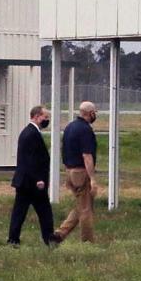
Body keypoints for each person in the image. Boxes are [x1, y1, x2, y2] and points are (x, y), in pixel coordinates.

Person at [7, 105, 57, 246]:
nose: (46, 120)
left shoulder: (28, 132)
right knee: (44, 212)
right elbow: (30, 160)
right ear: (36, 116)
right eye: (45, 117)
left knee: (20, 212)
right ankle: (49, 239)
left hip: (25, 181)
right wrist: (39, 179)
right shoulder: (31, 134)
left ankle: (13, 239)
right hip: (32, 183)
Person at [51, 101, 99, 243]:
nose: (95, 114)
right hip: (81, 173)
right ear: (90, 113)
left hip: (69, 172)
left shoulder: (70, 127)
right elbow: (87, 156)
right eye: (94, 112)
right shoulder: (85, 130)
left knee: (81, 205)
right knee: (86, 211)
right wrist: (92, 178)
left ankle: (59, 234)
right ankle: (87, 243)